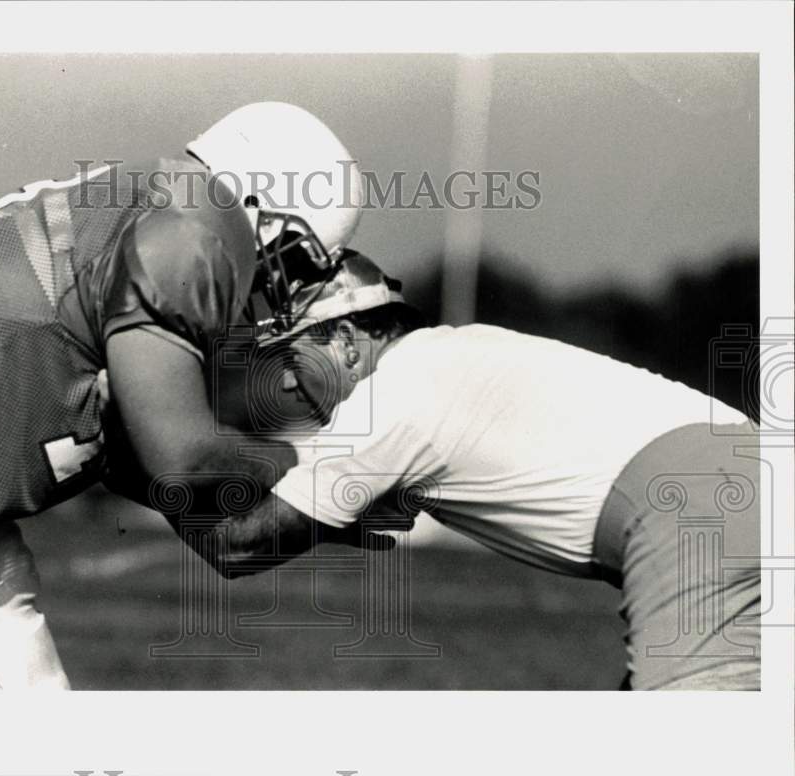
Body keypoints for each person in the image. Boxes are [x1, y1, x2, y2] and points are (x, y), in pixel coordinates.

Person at [0, 101, 369, 690]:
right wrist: (309, 462)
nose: (286, 288)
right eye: (299, 261)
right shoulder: (198, 227)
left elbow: (204, 518)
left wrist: (331, 500)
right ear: (258, 205)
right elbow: (185, 463)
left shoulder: (160, 222)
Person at [198, 251, 761, 690]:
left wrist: (132, 460)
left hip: (692, 517)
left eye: (292, 357)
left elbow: (238, 546)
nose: (290, 383)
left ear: (346, 342)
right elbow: (311, 492)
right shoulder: (450, 356)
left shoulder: (387, 401)